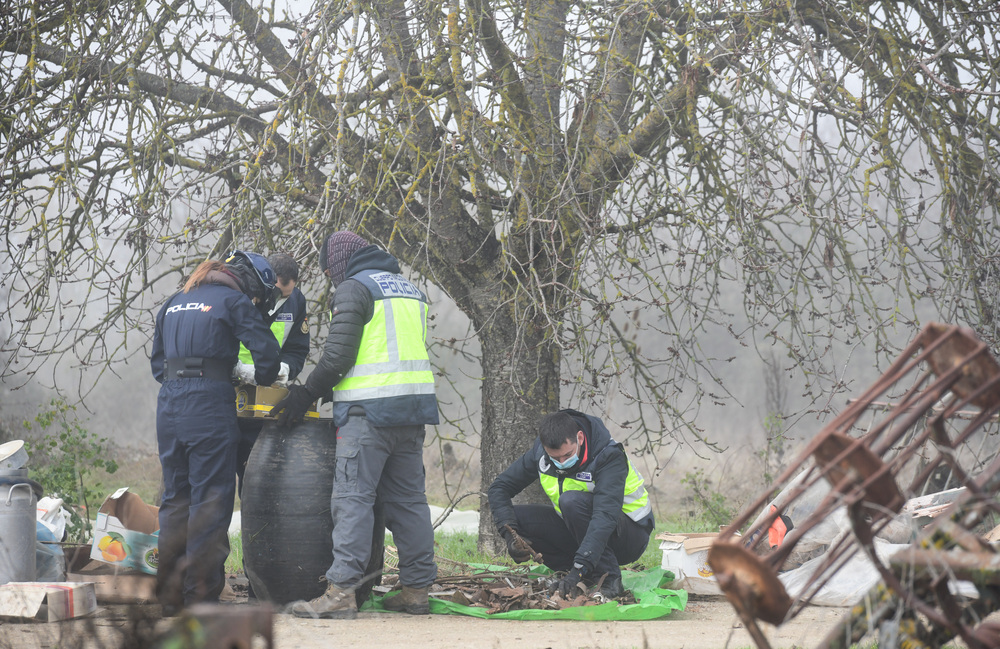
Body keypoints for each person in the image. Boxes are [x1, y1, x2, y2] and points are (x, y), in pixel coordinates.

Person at [271, 231, 439, 619]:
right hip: (412, 411)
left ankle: (341, 593)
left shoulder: (354, 288)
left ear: (341, 261)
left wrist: (305, 394)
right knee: (409, 503)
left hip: (368, 414)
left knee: (352, 500)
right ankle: (416, 589)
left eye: (330, 269)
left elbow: (339, 356)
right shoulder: (410, 290)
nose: (331, 276)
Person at [150, 251, 281, 615]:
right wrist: (253, 375)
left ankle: (170, 599)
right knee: (210, 501)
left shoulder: (175, 301)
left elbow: (157, 364)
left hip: (169, 406)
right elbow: (267, 356)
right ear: (251, 283)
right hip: (208, 405)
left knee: (176, 499)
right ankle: (200, 600)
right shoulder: (233, 301)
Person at [487, 409, 654, 599]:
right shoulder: (540, 455)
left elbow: (604, 518)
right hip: (581, 531)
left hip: (629, 535)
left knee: (571, 502)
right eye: (555, 458)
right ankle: (574, 577)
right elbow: (499, 488)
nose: (561, 463)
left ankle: (609, 579)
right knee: (515, 519)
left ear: (580, 438)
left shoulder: (609, 456)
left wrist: (580, 567)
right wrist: (511, 537)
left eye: (567, 455)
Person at [233, 251, 310, 498]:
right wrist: (237, 369)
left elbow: (298, 348)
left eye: (285, 295)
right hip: (231, 388)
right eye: (276, 292)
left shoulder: (297, 301)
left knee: (258, 469)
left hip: (267, 396)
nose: (279, 300)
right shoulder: (242, 294)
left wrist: (285, 369)